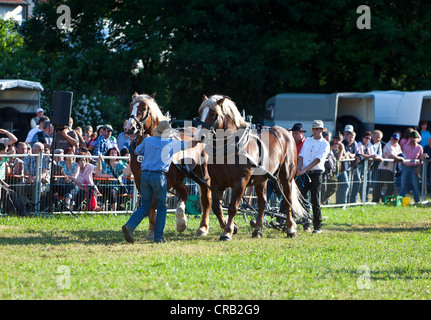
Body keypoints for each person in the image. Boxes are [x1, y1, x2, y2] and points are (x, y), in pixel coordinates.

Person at [122, 120, 191, 243]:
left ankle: (130, 226)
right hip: (159, 177)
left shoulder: (148, 140)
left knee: (145, 205)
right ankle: (158, 236)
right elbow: (187, 145)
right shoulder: (171, 143)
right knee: (161, 207)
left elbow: (137, 151)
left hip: (145, 175)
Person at [296, 120, 330, 234]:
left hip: (316, 173)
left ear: (321, 130)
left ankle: (317, 226)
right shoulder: (308, 141)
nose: (315, 131)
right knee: (300, 197)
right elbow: (301, 155)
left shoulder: (325, 143)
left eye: (317, 129)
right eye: (314, 129)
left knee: (315, 200)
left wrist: (303, 170)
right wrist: (299, 167)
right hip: (305, 173)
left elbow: (318, 159)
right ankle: (305, 222)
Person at [372, 133, 405, 202]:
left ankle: (386, 200)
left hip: (391, 169)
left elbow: (400, 154)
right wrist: (401, 158)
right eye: (394, 139)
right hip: (383, 168)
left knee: (390, 187)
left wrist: (401, 158)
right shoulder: (388, 145)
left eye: (396, 139)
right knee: (380, 185)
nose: (395, 140)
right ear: (391, 138)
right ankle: (375, 200)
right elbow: (391, 155)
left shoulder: (398, 146)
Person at [95, 147, 126, 211]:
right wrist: (108, 176)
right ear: (108, 154)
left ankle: (114, 212)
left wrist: (129, 162)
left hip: (114, 186)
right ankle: (98, 208)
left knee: (111, 192)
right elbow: (97, 174)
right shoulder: (104, 164)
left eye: (115, 153)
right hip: (103, 185)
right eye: (112, 153)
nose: (114, 154)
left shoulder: (119, 165)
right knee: (97, 192)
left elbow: (128, 173)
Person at [22, 142, 50, 210]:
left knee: (36, 184)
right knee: (19, 186)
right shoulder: (27, 159)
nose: (42, 151)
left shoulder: (46, 159)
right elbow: (26, 173)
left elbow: (43, 174)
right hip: (29, 183)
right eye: (40, 150)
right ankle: (28, 204)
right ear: (33, 151)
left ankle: (35, 208)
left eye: (43, 150)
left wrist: (34, 179)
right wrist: (29, 179)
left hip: (43, 185)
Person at [400, 130, 426, 203]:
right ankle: (401, 200)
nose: (414, 139)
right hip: (405, 167)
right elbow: (401, 156)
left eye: (415, 138)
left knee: (415, 186)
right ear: (410, 138)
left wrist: (418, 168)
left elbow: (421, 159)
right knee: (403, 185)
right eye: (412, 138)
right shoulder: (405, 146)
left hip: (414, 168)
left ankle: (417, 201)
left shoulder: (419, 147)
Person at [340, 130, 359, 204]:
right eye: (350, 137)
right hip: (343, 167)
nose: (351, 139)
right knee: (345, 184)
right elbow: (344, 155)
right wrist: (349, 155)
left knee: (351, 184)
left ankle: (349, 201)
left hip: (351, 166)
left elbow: (355, 154)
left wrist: (351, 155)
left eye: (353, 137)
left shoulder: (354, 143)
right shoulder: (343, 143)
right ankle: (343, 202)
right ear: (346, 137)